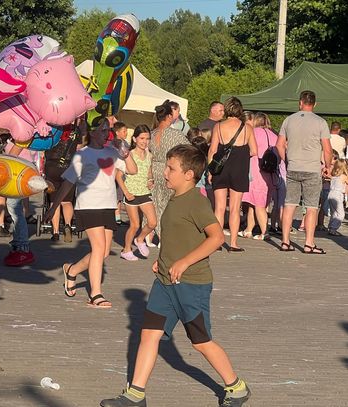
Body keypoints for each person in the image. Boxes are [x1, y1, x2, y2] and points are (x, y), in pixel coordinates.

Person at [100, 144, 250, 407]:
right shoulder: (175, 198)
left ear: (189, 175)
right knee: (148, 334)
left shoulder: (196, 202)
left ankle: (236, 387)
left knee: (201, 342)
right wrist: (163, 260)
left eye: (171, 169)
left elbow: (216, 238)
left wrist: (184, 262)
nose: (165, 173)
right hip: (165, 284)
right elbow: (178, 237)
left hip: (191, 285)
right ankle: (135, 395)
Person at [45, 118, 137, 308]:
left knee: (103, 253)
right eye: (102, 130)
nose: (106, 134)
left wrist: (126, 152)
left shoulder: (112, 152)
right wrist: (53, 207)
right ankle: (95, 294)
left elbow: (133, 170)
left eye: (107, 130)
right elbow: (68, 183)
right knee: (98, 248)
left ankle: (72, 270)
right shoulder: (82, 155)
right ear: (92, 132)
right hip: (88, 205)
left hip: (108, 206)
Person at [276, 90, 333, 253]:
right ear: (314, 104)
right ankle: (309, 243)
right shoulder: (321, 122)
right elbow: (327, 149)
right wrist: (328, 167)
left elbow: (279, 145)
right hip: (312, 169)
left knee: (289, 205)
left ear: (300, 102)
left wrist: (286, 160)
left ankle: (285, 242)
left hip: (293, 167)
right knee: (311, 207)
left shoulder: (288, 120)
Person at [208, 97, 257, 251]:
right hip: (239, 169)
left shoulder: (218, 126)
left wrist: (210, 170)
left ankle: (216, 242)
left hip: (221, 169)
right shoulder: (247, 128)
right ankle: (234, 243)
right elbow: (255, 151)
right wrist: (242, 153)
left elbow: (212, 150)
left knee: (219, 208)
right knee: (235, 208)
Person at [149, 100, 190, 240]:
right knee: (167, 204)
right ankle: (163, 235)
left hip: (153, 169)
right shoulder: (175, 135)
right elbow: (189, 149)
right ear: (169, 116)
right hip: (168, 170)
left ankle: (149, 233)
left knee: (154, 203)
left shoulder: (152, 133)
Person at [116, 125, 157, 261]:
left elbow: (149, 171)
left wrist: (150, 180)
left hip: (144, 193)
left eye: (147, 138)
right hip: (131, 193)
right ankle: (126, 250)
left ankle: (139, 239)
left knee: (152, 223)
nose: (145, 141)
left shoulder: (149, 155)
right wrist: (126, 192)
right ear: (134, 139)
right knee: (135, 225)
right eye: (142, 138)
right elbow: (118, 175)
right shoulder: (129, 154)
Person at [44, 119, 86, 242]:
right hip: (69, 166)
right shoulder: (75, 130)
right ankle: (67, 225)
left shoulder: (53, 128)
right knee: (67, 201)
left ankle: (56, 232)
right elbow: (79, 147)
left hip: (52, 166)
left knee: (54, 201)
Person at [240, 113, 277, 240]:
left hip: (256, 171)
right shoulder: (274, 135)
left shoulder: (254, 132)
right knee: (253, 203)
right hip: (271, 173)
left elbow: (246, 148)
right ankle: (249, 230)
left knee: (258, 205)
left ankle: (264, 232)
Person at [327, 158, 348, 236]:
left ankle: (330, 227)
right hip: (337, 195)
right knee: (341, 214)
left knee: (334, 213)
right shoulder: (343, 176)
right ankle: (333, 228)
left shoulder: (334, 175)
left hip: (331, 193)